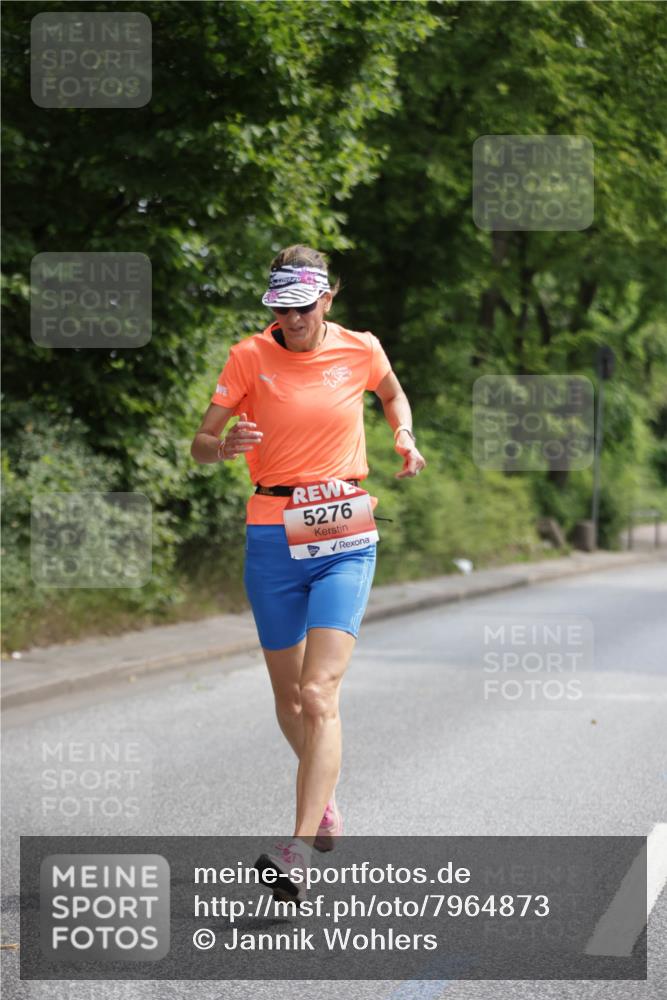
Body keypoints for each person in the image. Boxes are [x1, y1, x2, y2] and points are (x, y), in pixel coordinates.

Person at [191, 244, 426, 904]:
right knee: (289, 697)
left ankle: (293, 851)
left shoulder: (361, 348)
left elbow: (392, 393)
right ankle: (323, 804)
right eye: (281, 308)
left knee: (320, 691)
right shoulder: (247, 357)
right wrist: (222, 444)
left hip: (345, 529)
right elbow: (201, 443)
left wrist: (402, 435)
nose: (291, 319)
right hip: (271, 531)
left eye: (303, 307)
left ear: (327, 298)